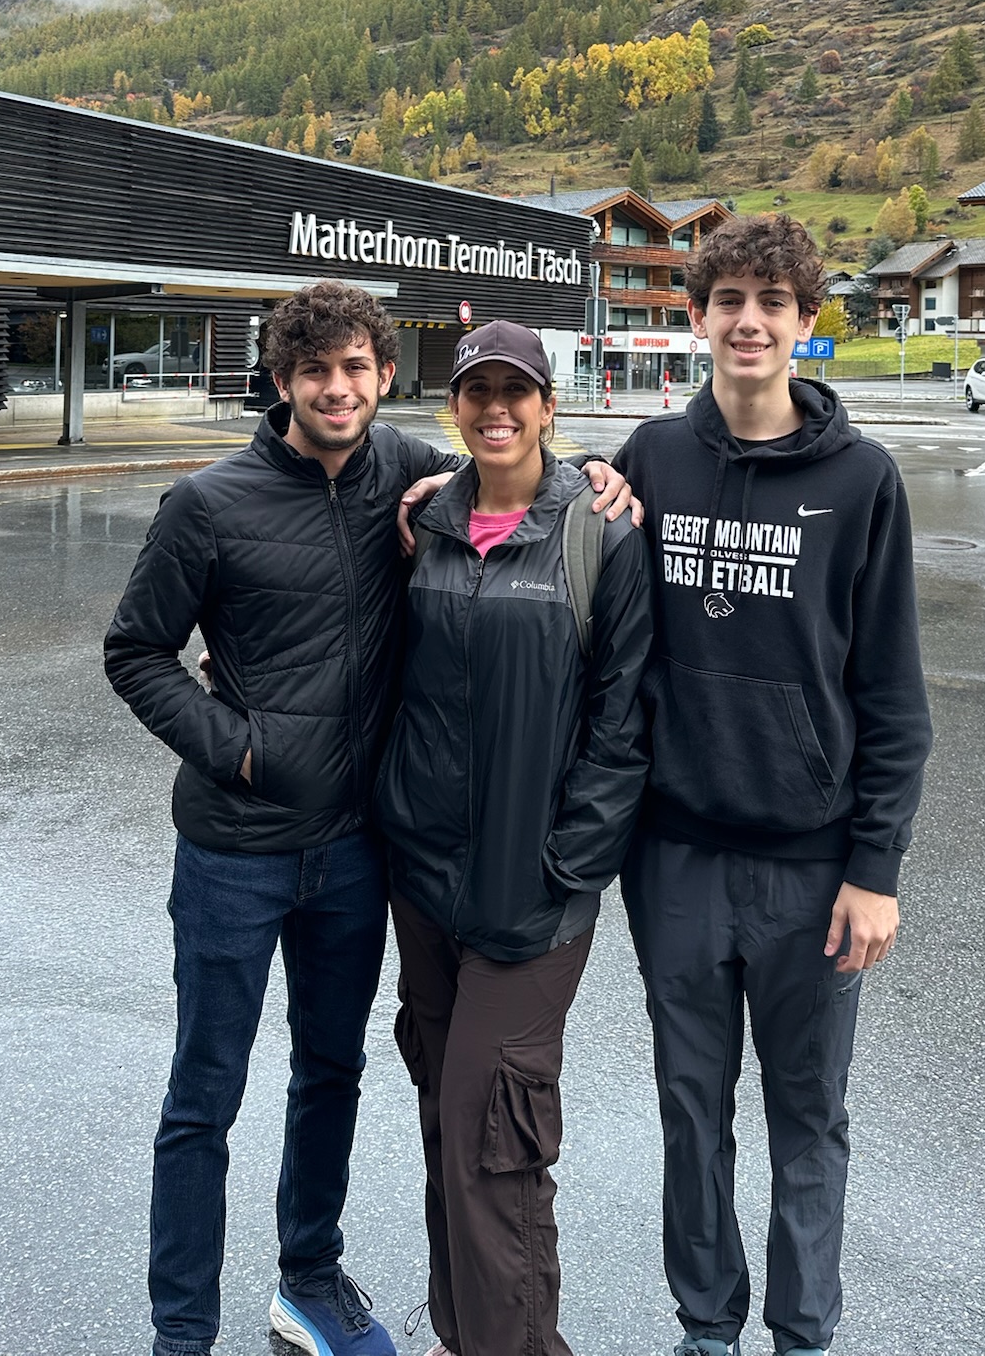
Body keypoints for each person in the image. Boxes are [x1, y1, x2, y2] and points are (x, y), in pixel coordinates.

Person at [103, 282, 633, 1356]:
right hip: (234, 849)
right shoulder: (206, 502)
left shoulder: (407, 471)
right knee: (204, 1095)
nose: (336, 388)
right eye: (315, 371)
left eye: (355, 367)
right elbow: (135, 651)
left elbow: (513, 468)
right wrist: (237, 746)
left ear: (386, 373)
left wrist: (597, 472)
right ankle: (181, 1330)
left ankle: (308, 1278)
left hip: (354, 850)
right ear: (282, 380)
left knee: (330, 1070)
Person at [611, 216, 932, 1356]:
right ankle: (708, 1328)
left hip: (812, 870)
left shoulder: (862, 479)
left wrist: (874, 871)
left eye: (774, 300)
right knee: (691, 1114)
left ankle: (804, 1334)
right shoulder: (649, 458)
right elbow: (536, 520)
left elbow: (893, 693)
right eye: (729, 297)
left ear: (805, 321)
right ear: (696, 314)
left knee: (809, 1118)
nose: (750, 319)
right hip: (677, 857)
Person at [376, 320, 654, 1356]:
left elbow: (625, 720)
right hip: (427, 882)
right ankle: (462, 1333)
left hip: (533, 892)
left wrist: (570, 864)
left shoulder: (600, 531)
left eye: (517, 390)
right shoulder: (426, 524)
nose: (497, 407)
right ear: (454, 406)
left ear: (549, 405)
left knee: (497, 1135)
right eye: (477, 390)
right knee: (447, 1123)